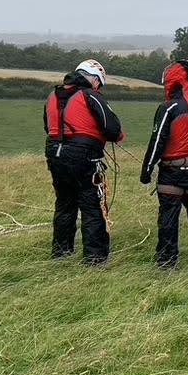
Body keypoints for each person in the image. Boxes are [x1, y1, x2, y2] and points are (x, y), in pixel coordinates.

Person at [43, 59, 124, 267]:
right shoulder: (91, 96)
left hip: (55, 152)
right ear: (94, 79)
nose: (99, 87)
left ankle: (61, 252)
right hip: (83, 155)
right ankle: (95, 259)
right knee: (92, 205)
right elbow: (112, 128)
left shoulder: (53, 95)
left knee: (65, 203)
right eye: (99, 83)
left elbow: (49, 126)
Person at [140, 59, 188, 269]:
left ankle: (167, 261)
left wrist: (146, 171)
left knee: (168, 217)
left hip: (172, 172)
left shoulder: (168, 108)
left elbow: (157, 141)